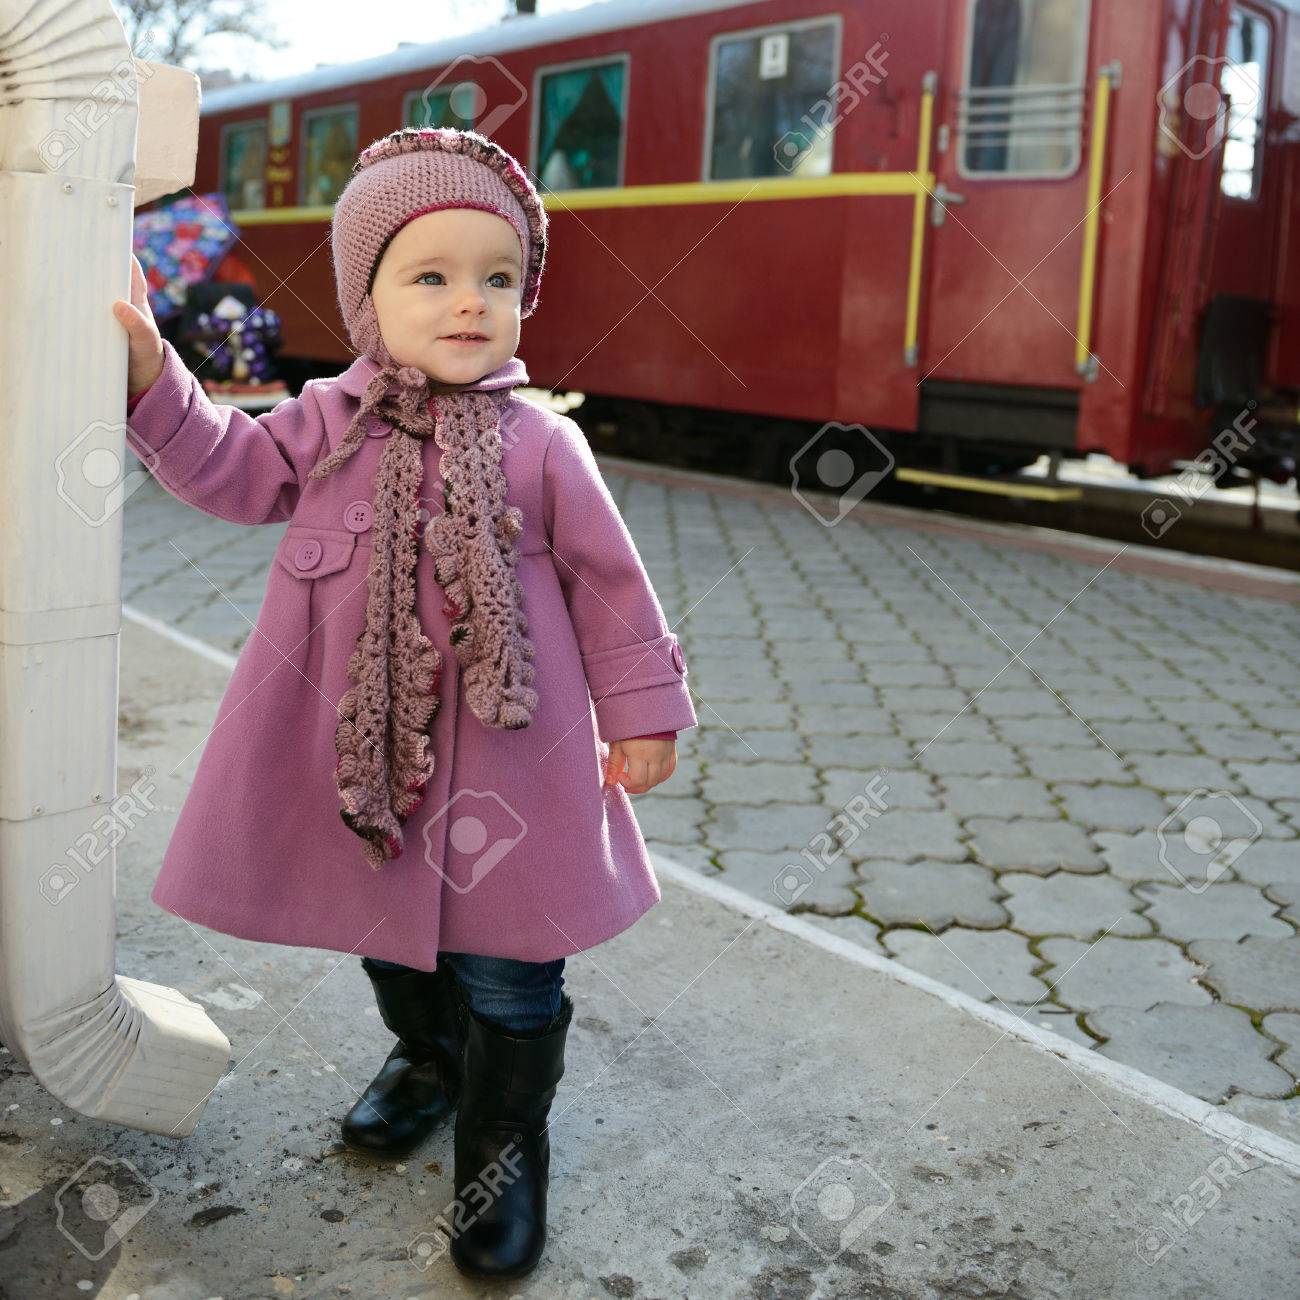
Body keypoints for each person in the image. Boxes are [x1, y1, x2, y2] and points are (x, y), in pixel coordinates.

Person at [112, 126, 697, 1281]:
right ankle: (426, 1064)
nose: (467, 301)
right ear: (368, 300)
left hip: (514, 776)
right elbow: (229, 469)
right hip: (375, 762)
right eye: (429, 275)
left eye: (496, 276)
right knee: (393, 939)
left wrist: (642, 713)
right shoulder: (330, 421)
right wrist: (152, 377)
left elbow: (613, 590)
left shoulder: (545, 446)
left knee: (514, 971)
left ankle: (503, 1142)